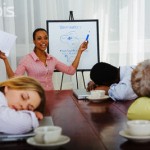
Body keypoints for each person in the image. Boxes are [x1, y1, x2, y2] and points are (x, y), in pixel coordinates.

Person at [0, 28, 88, 90]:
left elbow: (71, 71)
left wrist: (80, 51)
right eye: (39, 38)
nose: (43, 41)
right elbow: (14, 79)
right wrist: (5, 60)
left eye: (46, 38)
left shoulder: (52, 59)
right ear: (34, 41)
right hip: (35, 97)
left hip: (51, 96)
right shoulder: (26, 59)